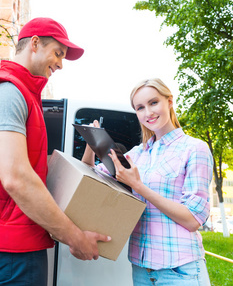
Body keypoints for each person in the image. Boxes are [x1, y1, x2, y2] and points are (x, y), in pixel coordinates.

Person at [0, 17, 110, 286]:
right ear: (35, 43)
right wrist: (75, 238)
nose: (61, 64)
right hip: (12, 248)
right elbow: (16, 178)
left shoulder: (23, 93)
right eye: (58, 53)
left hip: (0, 241)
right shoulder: (9, 92)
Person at [82, 78, 213, 286]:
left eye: (153, 103)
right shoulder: (138, 154)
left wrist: (139, 187)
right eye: (140, 108)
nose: (148, 113)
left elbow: (192, 219)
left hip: (179, 270)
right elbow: (89, 175)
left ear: (169, 101)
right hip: (142, 270)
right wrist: (92, 142)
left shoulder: (194, 148)